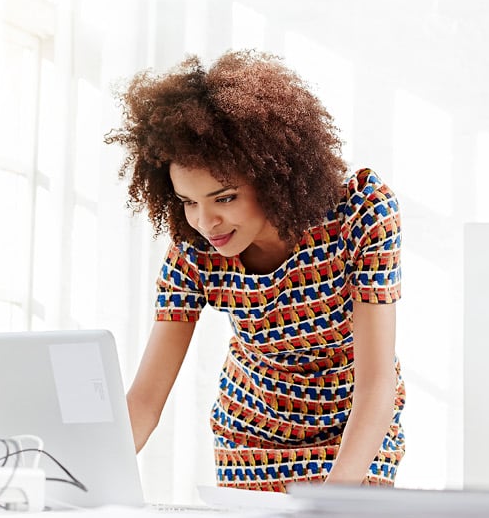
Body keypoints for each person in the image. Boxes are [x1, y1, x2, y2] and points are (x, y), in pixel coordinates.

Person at [104, 50, 406, 492]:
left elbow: (377, 384)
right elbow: (145, 400)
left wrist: (332, 500)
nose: (206, 222)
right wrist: (77, 482)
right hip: (250, 438)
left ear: (273, 176)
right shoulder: (195, 249)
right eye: (189, 202)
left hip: (355, 427)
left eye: (223, 198)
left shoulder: (360, 212)